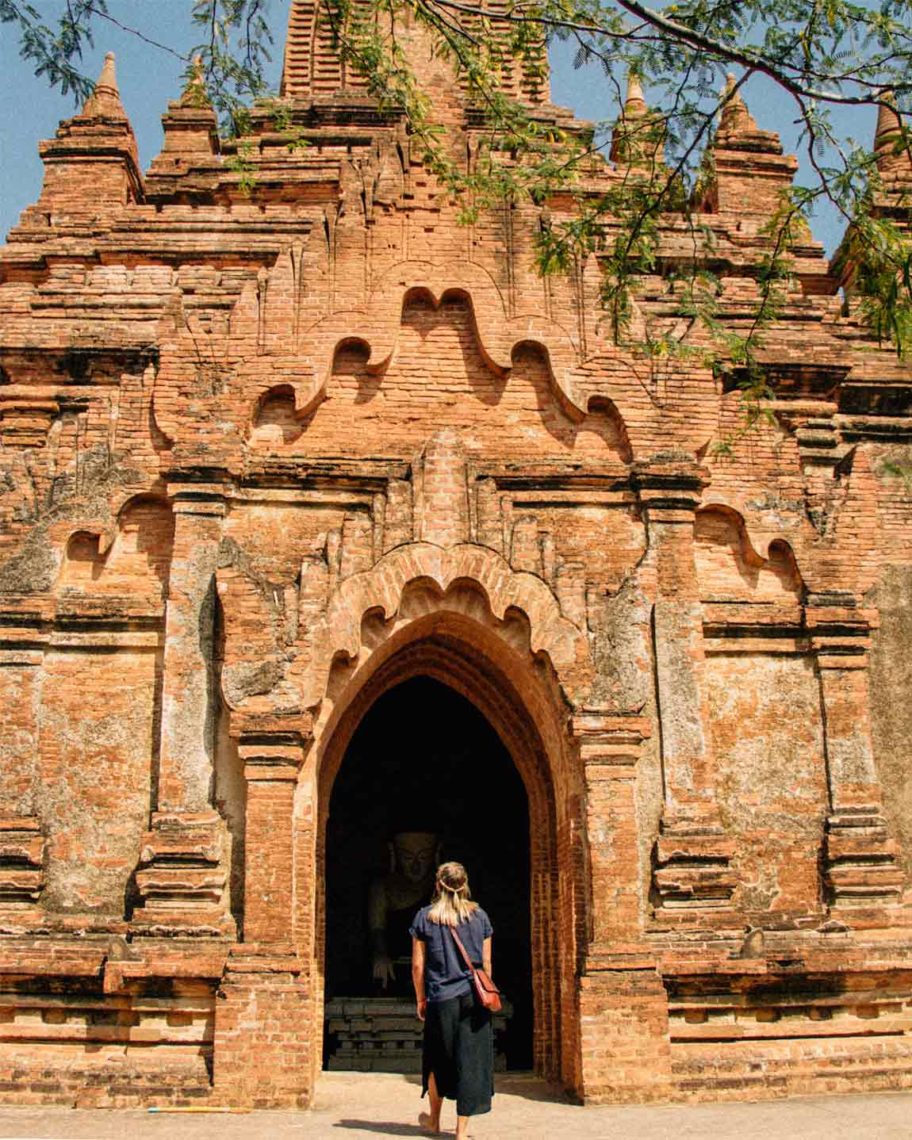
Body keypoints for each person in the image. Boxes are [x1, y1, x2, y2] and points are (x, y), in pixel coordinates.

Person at [410, 861, 494, 1139]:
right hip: (473, 998)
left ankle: (434, 1121)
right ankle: (461, 1131)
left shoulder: (425, 917)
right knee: (470, 1062)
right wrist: (486, 993)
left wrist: (421, 998)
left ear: (437, 885)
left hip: (440, 998)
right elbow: (486, 964)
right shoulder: (479, 916)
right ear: (465, 884)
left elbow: (418, 966)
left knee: (438, 1060)